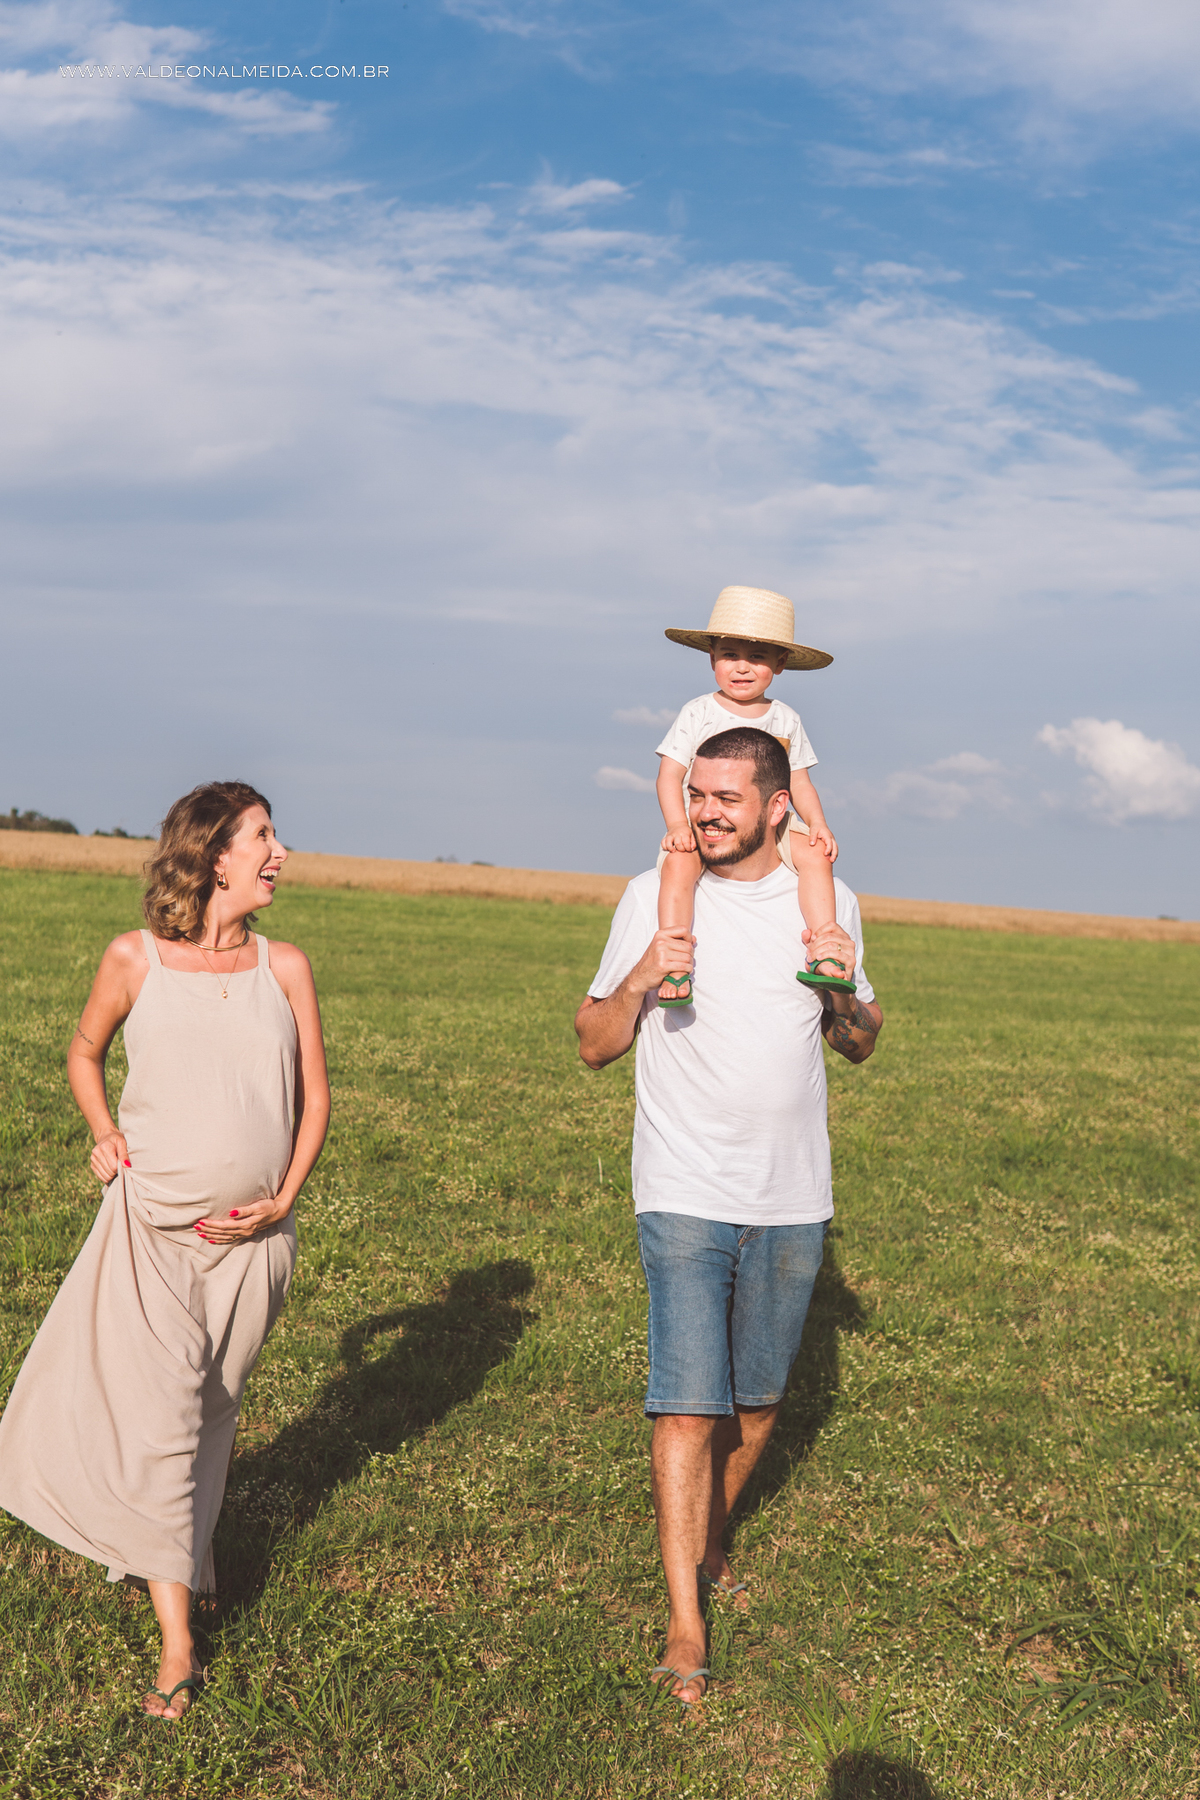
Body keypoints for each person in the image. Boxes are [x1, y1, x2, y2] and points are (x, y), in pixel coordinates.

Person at [0, 781, 330, 1720]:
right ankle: (179, 1648)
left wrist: (284, 1202)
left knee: (212, 1413)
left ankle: (186, 1553)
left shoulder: (286, 966)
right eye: (264, 837)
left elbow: (316, 1099)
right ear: (214, 854)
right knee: (163, 1424)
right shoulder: (132, 958)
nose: (280, 853)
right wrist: (101, 1131)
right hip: (150, 1231)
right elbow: (81, 1050)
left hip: (255, 1246)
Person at [574, 727, 882, 1706]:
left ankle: (710, 1539)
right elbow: (592, 1043)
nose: (703, 812)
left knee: (756, 1399)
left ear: (777, 805)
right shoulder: (649, 896)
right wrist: (638, 977)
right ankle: (684, 1617)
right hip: (683, 1183)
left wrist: (845, 998)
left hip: (793, 1190)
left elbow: (862, 1040)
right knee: (686, 1398)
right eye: (695, 795)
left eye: (724, 799)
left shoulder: (824, 901)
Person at [653, 584, 851, 1006]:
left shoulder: (786, 718)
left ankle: (825, 951)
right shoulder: (698, 712)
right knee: (678, 866)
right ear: (711, 658)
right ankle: (674, 960)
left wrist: (817, 823)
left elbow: (799, 782)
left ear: (780, 664)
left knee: (815, 855)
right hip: (708, 823)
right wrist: (676, 825)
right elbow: (669, 776)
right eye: (729, 655)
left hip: (774, 825)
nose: (741, 668)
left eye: (757, 657)